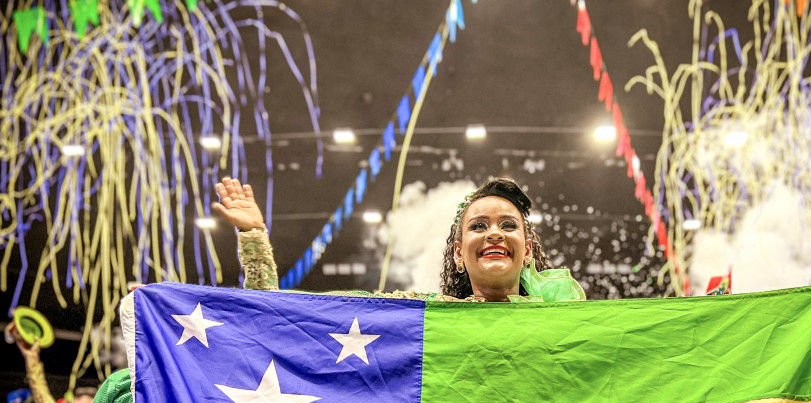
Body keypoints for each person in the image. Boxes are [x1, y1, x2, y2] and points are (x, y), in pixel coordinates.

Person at [213, 176, 585, 302]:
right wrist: (254, 237)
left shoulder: (570, 322)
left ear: (528, 250)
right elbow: (285, 316)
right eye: (478, 226)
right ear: (458, 255)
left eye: (508, 225)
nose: (493, 233)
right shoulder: (422, 314)